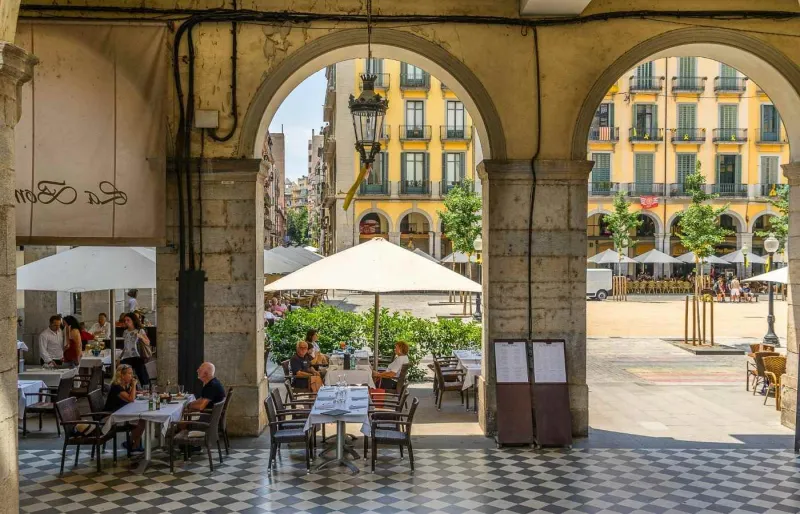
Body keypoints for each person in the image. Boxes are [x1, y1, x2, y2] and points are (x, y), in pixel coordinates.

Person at [104, 364, 146, 452]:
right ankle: (133, 444)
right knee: (141, 419)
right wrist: (134, 385)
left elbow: (132, 394)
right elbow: (131, 399)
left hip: (121, 411)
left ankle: (133, 444)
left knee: (143, 419)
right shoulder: (116, 387)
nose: (132, 376)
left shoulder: (124, 385)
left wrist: (140, 391)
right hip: (110, 415)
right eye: (129, 374)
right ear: (122, 376)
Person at [120, 312, 151, 386]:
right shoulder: (125, 332)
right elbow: (125, 346)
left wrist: (141, 337)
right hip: (127, 357)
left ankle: (146, 388)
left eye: (128, 320)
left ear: (133, 321)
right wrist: (120, 358)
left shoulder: (140, 331)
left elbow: (148, 342)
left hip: (137, 356)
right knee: (123, 373)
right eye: (125, 320)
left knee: (142, 374)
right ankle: (131, 389)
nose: (126, 322)